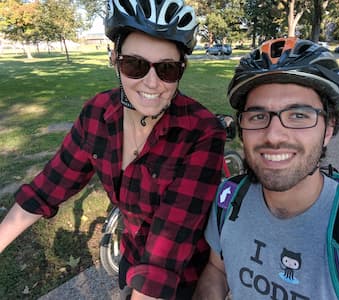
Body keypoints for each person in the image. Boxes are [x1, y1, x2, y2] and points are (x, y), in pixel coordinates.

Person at [0, 1, 226, 299]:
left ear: (182, 70)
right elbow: (47, 188)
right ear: (115, 60)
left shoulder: (202, 131)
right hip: (131, 257)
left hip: (183, 275)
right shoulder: (97, 113)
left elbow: (167, 249)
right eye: (135, 65)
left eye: (167, 69)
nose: (151, 83)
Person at [193, 37, 339, 299]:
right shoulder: (229, 200)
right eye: (258, 116)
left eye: (299, 115)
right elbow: (217, 269)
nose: (274, 135)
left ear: (329, 128)